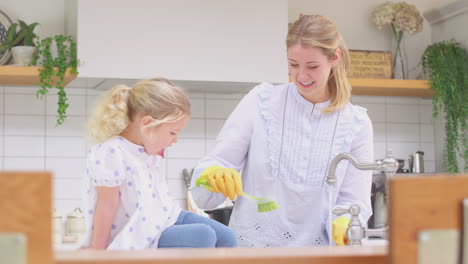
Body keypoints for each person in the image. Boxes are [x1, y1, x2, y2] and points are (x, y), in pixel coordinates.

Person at [190, 15, 373, 247]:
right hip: (252, 252)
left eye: (312, 66)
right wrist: (211, 175)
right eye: (293, 64)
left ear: (334, 58)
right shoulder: (262, 101)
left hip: (318, 256)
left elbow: (355, 200)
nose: (301, 76)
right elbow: (216, 166)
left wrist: (346, 222)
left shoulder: (356, 123)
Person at [81, 78, 237, 250]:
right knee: (203, 236)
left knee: (226, 236)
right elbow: (106, 205)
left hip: (166, 217)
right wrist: (98, 250)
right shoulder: (111, 152)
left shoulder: (148, 149)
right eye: (172, 132)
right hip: (139, 234)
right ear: (147, 123)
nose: (175, 140)